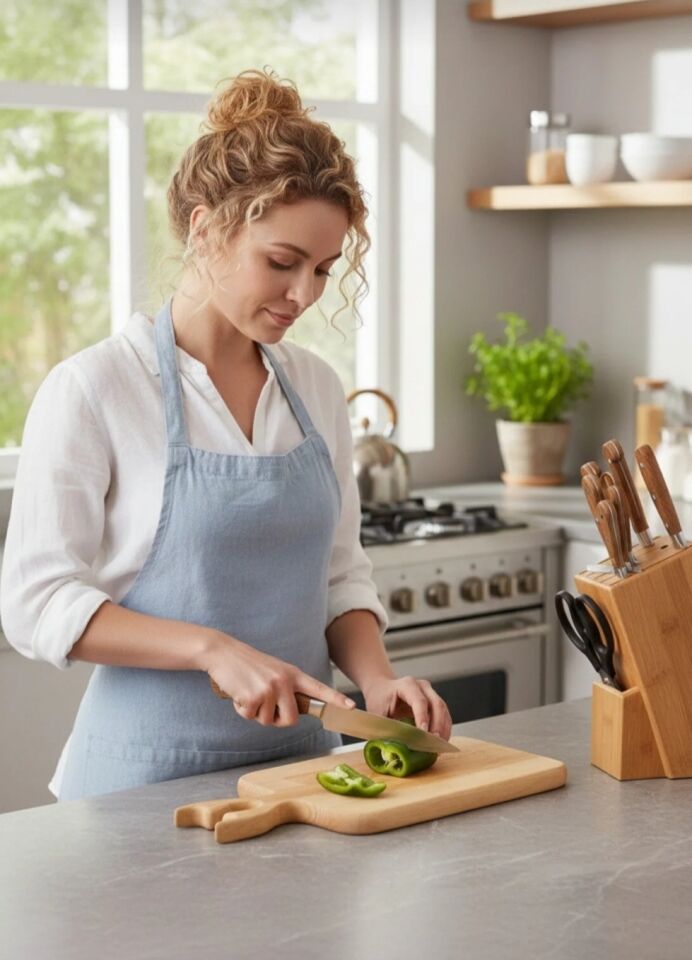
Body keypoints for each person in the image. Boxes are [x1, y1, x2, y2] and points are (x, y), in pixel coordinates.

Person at [0, 69, 452, 801]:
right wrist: (209, 649)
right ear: (207, 229)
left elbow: (340, 573)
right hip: (136, 794)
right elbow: (35, 603)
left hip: (304, 778)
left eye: (323, 271)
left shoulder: (314, 389)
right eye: (281, 263)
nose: (304, 294)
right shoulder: (95, 390)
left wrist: (376, 680)